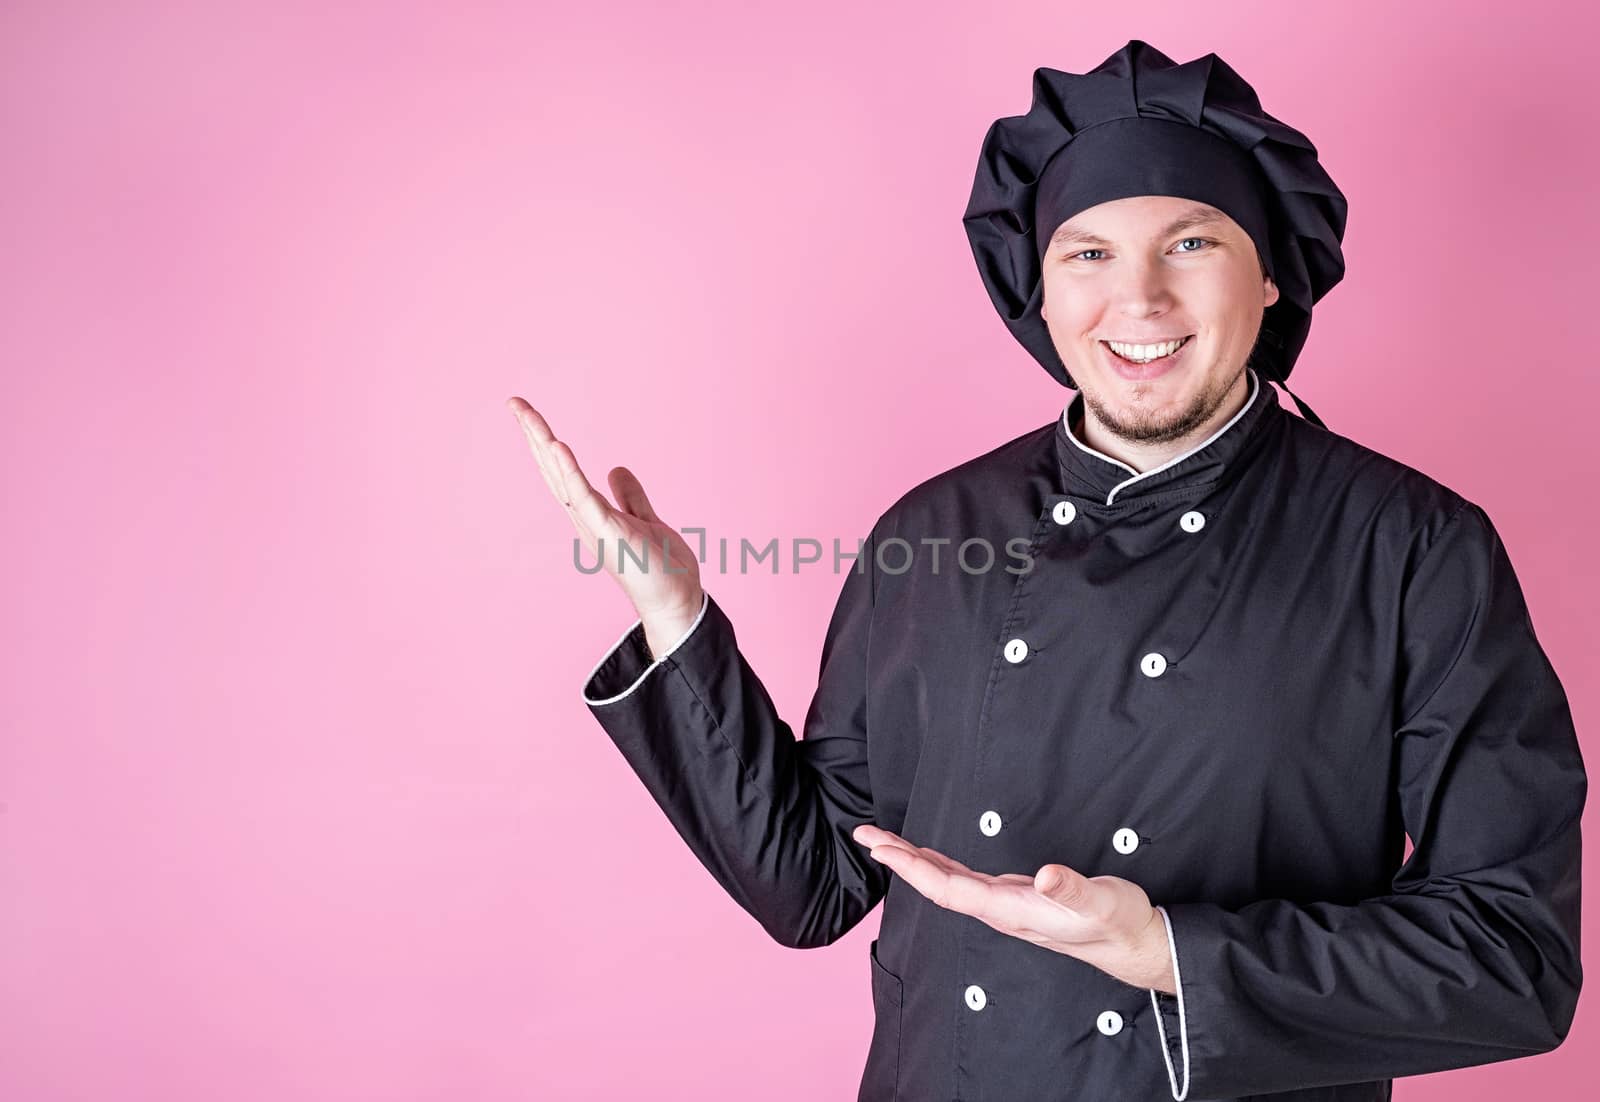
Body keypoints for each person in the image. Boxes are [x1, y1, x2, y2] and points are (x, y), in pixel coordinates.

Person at [507, 40, 1585, 1102]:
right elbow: (813, 884)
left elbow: (1511, 957)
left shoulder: (1414, 547)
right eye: (1088, 253)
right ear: (1038, 291)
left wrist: (1169, 950)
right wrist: (674, 617)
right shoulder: (930, 531)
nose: (1140, 301)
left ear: (1269, 277)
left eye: (1192, 243)